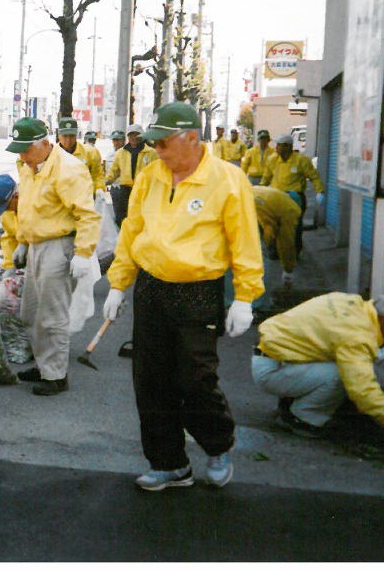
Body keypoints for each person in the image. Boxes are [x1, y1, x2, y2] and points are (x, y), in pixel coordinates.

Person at [103, 102, 264, 491]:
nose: (157, 151)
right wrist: (118, 283)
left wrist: (245, 297)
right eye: (154, 144)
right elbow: (132, 231)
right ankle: (169, 464)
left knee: (195, 379)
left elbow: (244, 240)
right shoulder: (150, 176)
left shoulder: (227, 179)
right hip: (153, 289)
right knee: (151, 380)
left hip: (197, 292)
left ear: (192, 138)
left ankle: (218, 442)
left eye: (164, 144)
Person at [252, 293, 384, 456]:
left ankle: (290, 401)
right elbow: (362, 389)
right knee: (342, 375)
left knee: (343, 366)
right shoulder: (358, 336)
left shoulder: (352, 304)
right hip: (272, 370)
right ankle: (302, 418)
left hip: (275, 354)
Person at [7, 117, 101, 396]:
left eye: (26, 149)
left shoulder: (70, 170)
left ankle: (56, 375)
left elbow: (87, 215)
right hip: (37, 244)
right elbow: (28, 208)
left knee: (52, 314)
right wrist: (23, 242)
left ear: (46, 144)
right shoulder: (29, 166)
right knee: (32, 312)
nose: (22, 156)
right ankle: (43, 363)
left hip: (59, 245)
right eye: (19, 151)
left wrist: (83, 253)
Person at [261, 134, 325, 254]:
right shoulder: (272, 160)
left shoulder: (301, 160)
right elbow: (266, 179)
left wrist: (319, 191)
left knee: (295, 227)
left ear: (287, 147)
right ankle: (274, 250)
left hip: (295, 198)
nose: (276, 148)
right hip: (277, 197)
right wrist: (259, 192)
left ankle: (295, 251)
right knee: (273, 224)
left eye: (279, 145)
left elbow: (314, 177)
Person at [106, 124, 158, 228]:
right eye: (131, 135)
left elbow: (157, 172)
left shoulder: (151, 153)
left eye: (136, 135)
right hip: (125, 191)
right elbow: (114, 172)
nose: (134, 138)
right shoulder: (121, 153)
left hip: (144, 191)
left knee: (141, 218)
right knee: (123, 219)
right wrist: (102, 183)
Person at [252, 186, 302, 286]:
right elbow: (285, 241)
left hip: (284, 211)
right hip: (264, 207)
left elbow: (268, 223)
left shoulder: (276, 197)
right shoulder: (289, 209)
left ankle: (287, 275)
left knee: (283, 243)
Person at [57, 117, 106, 195]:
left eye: (72, 136)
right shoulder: (51, 154)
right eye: (65, 136)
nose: (68, 140)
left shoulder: (90, 152)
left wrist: (99, 189)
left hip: (84, 200)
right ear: (59, 135)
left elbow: (98, 176)